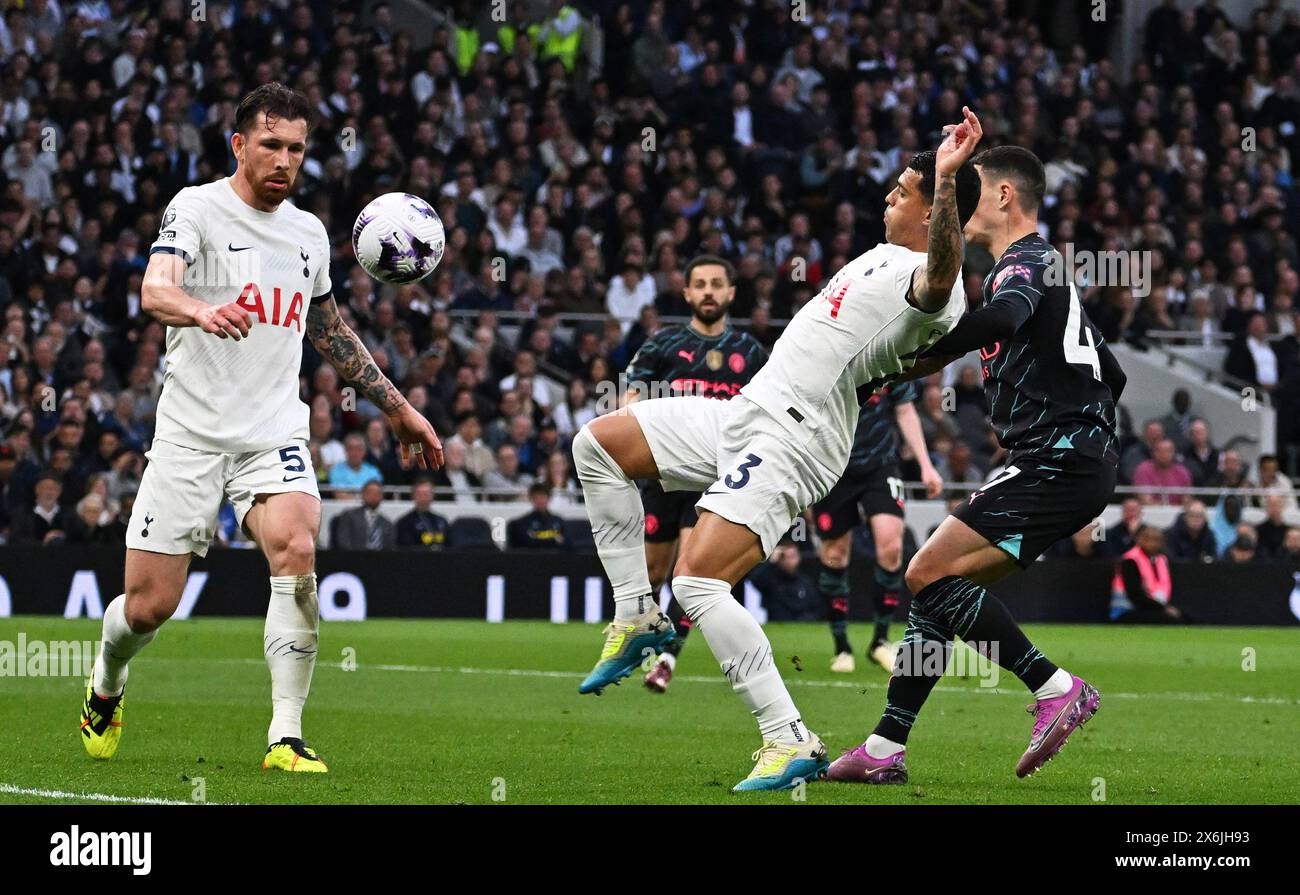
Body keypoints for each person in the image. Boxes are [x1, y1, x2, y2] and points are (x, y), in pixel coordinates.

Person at [571, 109, 981, 791]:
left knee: (699, 582)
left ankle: (788, 736)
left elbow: (939, 281)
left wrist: (943, 177)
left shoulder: (937, 283)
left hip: (797, 435)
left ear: (935, 208)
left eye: (902, 191)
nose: (889, 197)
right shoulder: (884, 254)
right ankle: (635, 613)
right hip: (748, 411)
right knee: (597, 443)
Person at [80, 83, 443, 774]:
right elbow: (154, 289)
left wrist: (395, 407)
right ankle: (106, 678)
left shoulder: (308, 234)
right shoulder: (196, 207)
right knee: (150, 608)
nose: (284, 160)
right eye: (270, 144)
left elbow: (329, 331)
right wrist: (200, 309)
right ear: (239, 144)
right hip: (190, 433)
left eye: (297, 149)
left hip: (272, 432)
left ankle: (286, 734)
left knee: (297, 547)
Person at [831, 145, 1127, 786]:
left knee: (926, 570)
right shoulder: (1054, 270)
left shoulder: (1024, 262)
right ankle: (884, 751)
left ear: (1003, 198)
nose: (964, 201)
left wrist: (924, 358)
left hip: (1057, 457)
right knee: (935, 589)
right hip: (1067, 456)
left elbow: (1000, 316)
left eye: (977, 187)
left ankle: (1055, 686)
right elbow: (1115, 372)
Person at [625, 254, 770, 694]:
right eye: (700, 284)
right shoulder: (662, 345)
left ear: (730, 293)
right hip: (666, 473)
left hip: (719, 480)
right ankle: (649, 639)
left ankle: (667, 658)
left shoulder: (751, 352)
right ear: (687, 293)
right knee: (653, 570)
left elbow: (770, 415)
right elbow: (630, 401)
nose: (708, 291)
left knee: (691, 569)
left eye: (716, 284)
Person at [812, 378, 942, 676]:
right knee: (834, 553)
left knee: (892, 547)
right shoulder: (829, 353)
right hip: (833, 467)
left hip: (880, 466)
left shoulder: (888, 354)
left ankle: (880, 640)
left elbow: (905, 410)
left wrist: (925, 463)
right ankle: (842, 646)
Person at [1110, 525, 1184, 623]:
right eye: (1147, 539)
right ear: (1139, 540)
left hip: (1153, 607)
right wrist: (1163, 608)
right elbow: (1135, 595)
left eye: (1156, 540)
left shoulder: (1161, 560)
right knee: (1170, 620)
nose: (1152, 543)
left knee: (1185, 617)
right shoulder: (1130, 560)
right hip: (1126, 609)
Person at [333, 479, 396, 550]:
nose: (374, 496)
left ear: (382, 497)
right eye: (370, 493)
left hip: (380, 560)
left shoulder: (387, 523)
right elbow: (343, 543)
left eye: (377, 494)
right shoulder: (349, 516)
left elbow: (390, 548)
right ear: (363, 494)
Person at [507, 483, 567, 549]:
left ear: (549, 498)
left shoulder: (559, 521)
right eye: (536, 498)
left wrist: (537, 538)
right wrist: (553, 538)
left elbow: (568, 544)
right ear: (530, 499)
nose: (540, 501)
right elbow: (526, 543)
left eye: (542, 497)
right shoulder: (520, 524)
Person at [395, 478, 450, 548]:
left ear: (433, 496)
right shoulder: (404, 523)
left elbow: (449, 547)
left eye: (426, 494)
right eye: (420, 495)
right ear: (413, 496)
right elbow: (406, 550)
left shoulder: (442, 521)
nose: (423, 498)